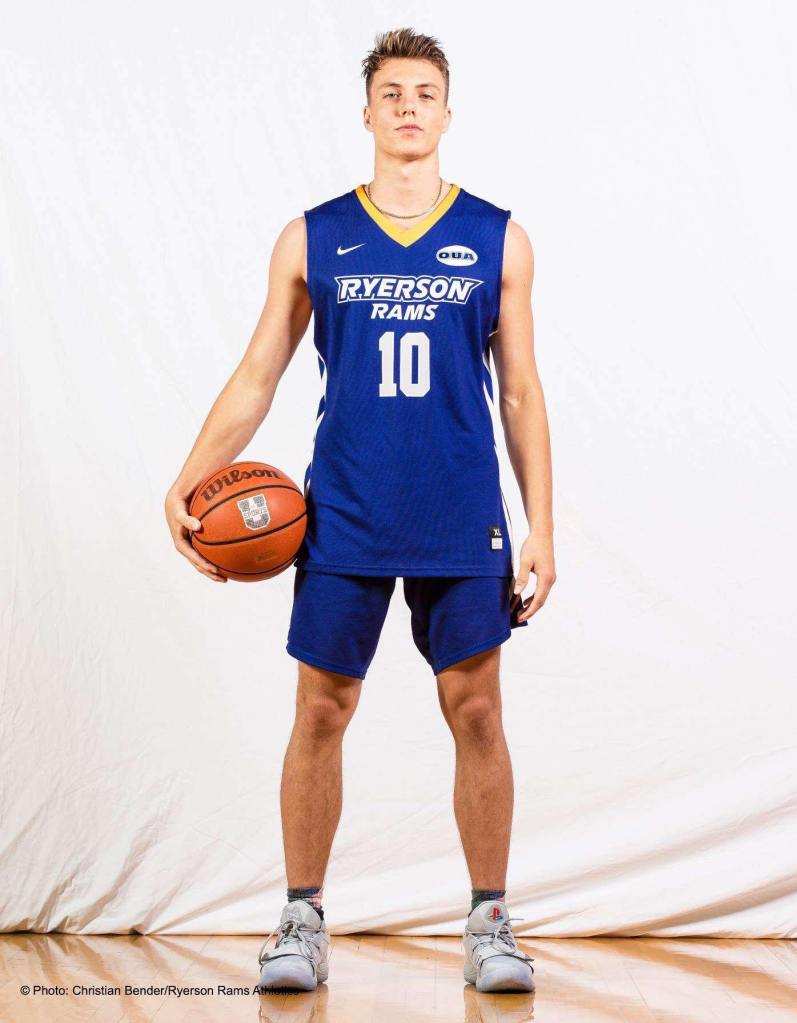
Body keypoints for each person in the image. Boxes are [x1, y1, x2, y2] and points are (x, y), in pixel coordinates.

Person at [164, 26, 555, 995]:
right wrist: (187, 478)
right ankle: (300, 918)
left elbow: (520, 392)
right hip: (344, 505)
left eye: (424, 93)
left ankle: (489, 920)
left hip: (461, 508)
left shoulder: (499, 237)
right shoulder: (312, 236)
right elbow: (258, 374)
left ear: (448, 113)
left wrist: (541, 524)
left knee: (476, 709)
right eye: (392, 94)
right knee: (321, 709)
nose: (408, 107)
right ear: (368, 113)